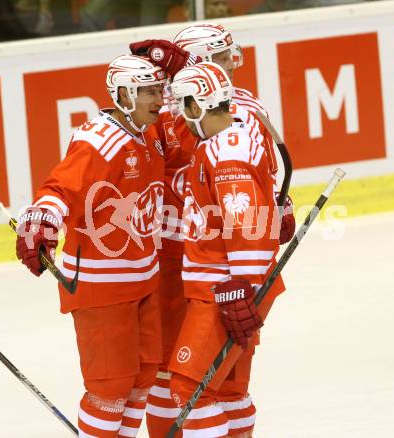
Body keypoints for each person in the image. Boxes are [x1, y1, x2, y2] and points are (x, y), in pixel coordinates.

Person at [129, 23, 295, 437]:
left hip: (215, 264)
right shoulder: (171, 109)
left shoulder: (226, 107)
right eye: (220, 58)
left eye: (228, 57)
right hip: (176, 260)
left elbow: (253, 183)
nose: (231, 66)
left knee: (203, 380)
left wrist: (276, 209)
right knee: (182, 374)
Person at [15, 54, 167, 437]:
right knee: (109, 389)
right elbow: (60, 188)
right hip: (102, 284)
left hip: (143, 277)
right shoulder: (99, 140)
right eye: (148, 91)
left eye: (158, 89)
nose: (158, 99)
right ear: (123, 94)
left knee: (143, 377)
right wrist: (41, 223)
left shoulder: (147, 132)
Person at [167, 61, 284, 436]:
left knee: (190, 389)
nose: (180, 116)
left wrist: (242, 287)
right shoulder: (226, 142)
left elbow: (246, 227)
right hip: (231, 288)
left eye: (183, 105)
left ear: (198, 104)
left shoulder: (227, 153)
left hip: (225, 291)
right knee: (228, 391)